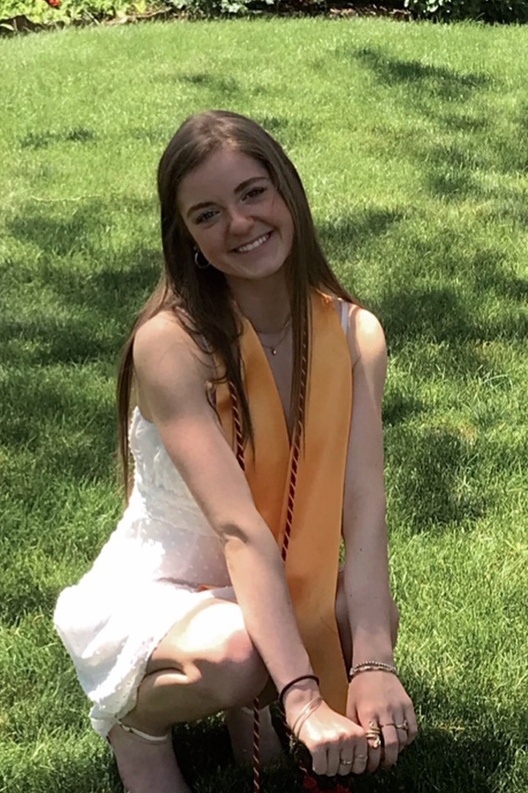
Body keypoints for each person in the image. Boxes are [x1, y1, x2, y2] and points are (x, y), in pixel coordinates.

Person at [54, 110, 417, 793]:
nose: (241, 224)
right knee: (239, 652)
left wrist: (373, 664)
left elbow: (363, 506)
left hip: (281, 569)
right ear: (187, 238)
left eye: (253, 193)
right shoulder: (172, 343)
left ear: (288, 191)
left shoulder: (353, 332)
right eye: (208, 214)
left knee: (370, 619)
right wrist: (304, 697)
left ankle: (251, 705)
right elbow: (236, 527)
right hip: (169, 585)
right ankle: (137, 725)